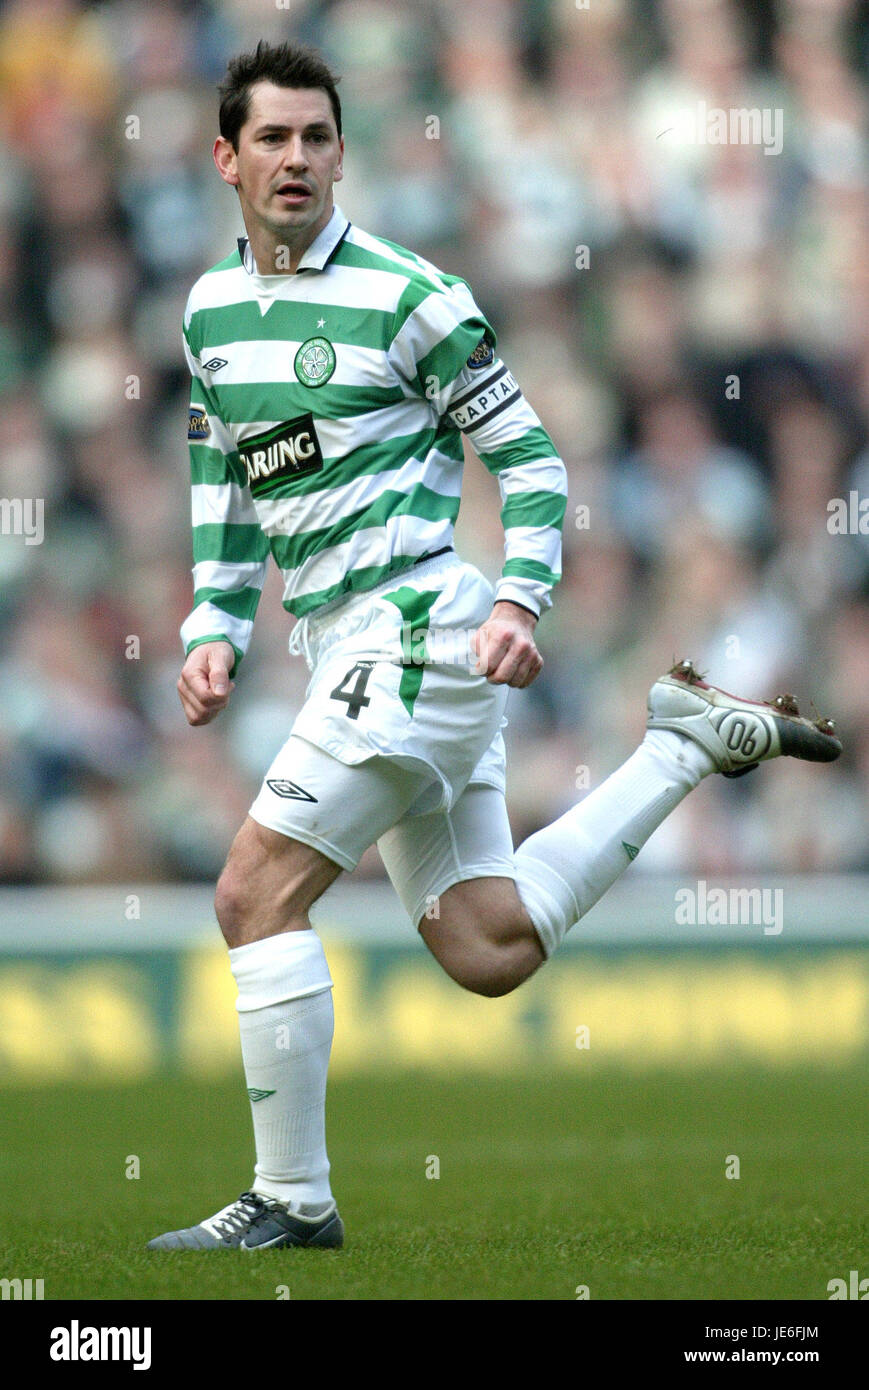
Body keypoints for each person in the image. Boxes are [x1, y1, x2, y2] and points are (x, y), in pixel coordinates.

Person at [147, 41, 841, 1252]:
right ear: (225, 157)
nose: (296, 158)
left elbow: (528, 460)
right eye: (271, 138)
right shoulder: (207, 312)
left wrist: (520, 599)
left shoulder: (412, 293)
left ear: (342, 151)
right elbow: (223, 473)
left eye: (316, 136)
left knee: (251, 894)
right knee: (486, 943)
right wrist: (213, 621)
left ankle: (293, 1202)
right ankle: (680, 748)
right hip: (357, 649)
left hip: (417, 631)